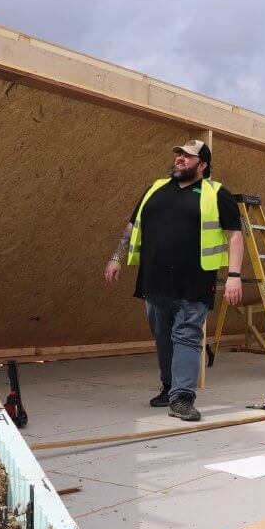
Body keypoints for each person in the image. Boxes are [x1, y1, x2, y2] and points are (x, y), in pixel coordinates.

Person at [104, 140, 243, 422]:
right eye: (179, 154)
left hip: (194, 282)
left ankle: (182, 397)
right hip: (154, 281)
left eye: (188, 156)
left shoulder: (217, 194)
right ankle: (169, 388)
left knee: (187, 336)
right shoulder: (155, 189)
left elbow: (235, 236)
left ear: (202, 165)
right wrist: (116, 257)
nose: (180, 158)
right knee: (163, 337)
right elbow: (132, 226)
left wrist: (234, 276)